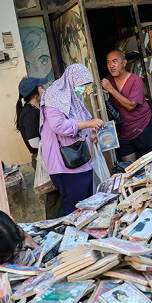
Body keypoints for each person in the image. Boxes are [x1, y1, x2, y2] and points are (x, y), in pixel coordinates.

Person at [40, 64, 104, 215]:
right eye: (81, 84)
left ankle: (85, 237)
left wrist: (91, 131)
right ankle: (73, 237)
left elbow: (80, 118)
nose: (82, 88)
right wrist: (88, 124)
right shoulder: (54, 96)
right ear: (71, 81)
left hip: (79, 160)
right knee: (74, 208)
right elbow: (58, 126)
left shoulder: (73, 96)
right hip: (65, 164)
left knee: (86, 205)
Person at [101, 50, 152, 161]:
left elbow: (130, 106)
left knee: (151, 164)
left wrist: (111, 89)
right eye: (108, 62)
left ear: (124, 63)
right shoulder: (108, 81)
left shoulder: (135, 81)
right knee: (128, 168)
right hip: (123, 130)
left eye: (115, 61)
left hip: (142, 126)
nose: (111, 65)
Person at [16, 76, 62, 219]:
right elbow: (34, 142)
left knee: (59, 195)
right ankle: (54, 227)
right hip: (43, 159)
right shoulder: (29, 114)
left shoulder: (37, 109)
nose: (44, 89)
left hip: (48, 156)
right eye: (41, 87)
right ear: (34, 94)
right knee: (53, 197)